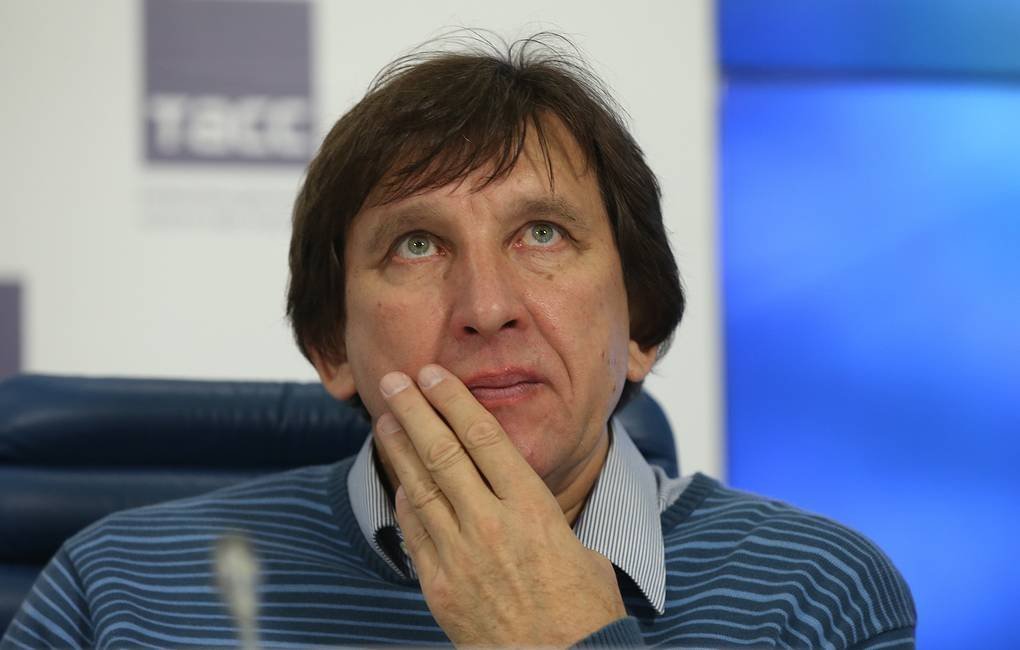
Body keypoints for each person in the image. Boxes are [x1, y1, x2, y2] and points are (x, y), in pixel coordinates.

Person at [1, 34, 915, 648]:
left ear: (639, 326)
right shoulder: (118, 593)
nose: (486, 306)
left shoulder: (816, 597)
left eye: (543, 234)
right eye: (416, 244)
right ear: (330, 346)